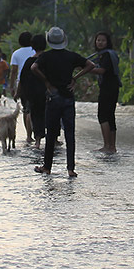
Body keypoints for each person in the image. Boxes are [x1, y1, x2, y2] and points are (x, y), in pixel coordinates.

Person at [31, 27, 96, 177]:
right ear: (63, 40)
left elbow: (33, 67)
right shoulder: (71, 56)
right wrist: (75, 78)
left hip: (53, 97)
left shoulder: (46, 57)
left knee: (51, 134)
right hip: (68, 97)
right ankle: (70, 169)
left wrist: (46, 82)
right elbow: (91, 65)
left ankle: (47, 167)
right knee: (70, 134)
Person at [90, 32, 121, 154]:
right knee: (110, 116)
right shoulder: (106, 54)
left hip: (108, 89)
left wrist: (86, 70)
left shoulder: (107, 55)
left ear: (107, 42)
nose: (100, 42)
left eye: (103, 40)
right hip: (112, 88)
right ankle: (112, 147)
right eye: (98, 40)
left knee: (103, 116)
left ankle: (107, 146)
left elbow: (101, 70)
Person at [16, 33, 48, 149]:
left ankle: (38, 142)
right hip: (48, 92)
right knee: (50, 115)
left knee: (36, 116)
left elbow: (22, 79)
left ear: (32, 46)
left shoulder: (29, 61)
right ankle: (53, 140)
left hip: (33, 94)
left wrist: (18, 92)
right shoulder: (49, 59)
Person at [9, 32, 36, 143]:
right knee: (35, 109)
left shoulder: (16, 53)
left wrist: (12, 86)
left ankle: (29, 136)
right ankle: (36, 133)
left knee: (26, 110)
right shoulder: (35, 51)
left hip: (22, 84)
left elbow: (14, 72)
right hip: (37, 81)